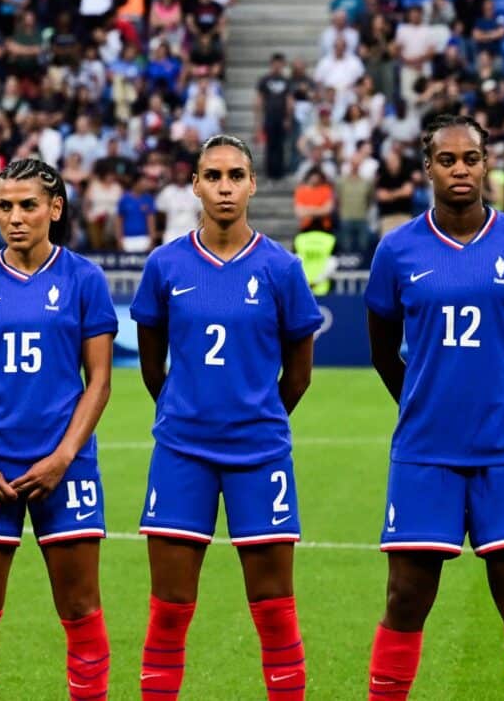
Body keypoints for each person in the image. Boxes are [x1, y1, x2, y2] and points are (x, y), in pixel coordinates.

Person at [361, 109, 504, 701]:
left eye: (470, 158)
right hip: (425, 452)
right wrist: (425, 402)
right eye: (446, 159)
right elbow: (382, 351)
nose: (459, 169)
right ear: (427, 168)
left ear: (487, 165)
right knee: (405, 596)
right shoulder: (397, 249)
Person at [132, 132, 320, 701]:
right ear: (194, 185)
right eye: (212, 176)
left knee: (275, 614)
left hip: (259, 455)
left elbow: (299, 374)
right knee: (169, 611)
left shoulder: (281, 268)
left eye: (235, 175)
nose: (224, 187)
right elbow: (151, 365)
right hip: (181, 453)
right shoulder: (165, 265)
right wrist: (187, 412)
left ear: (253, 185)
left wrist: (255, 415)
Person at [0, 157, 117, 701]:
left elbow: (100, 381)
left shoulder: (84, 278)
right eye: (5, 206)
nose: (15, 217)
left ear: (55, 208)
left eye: (28, 206)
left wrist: (64, 456)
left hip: (66, 470)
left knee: (81, 610)